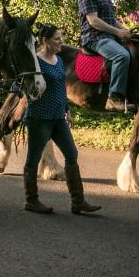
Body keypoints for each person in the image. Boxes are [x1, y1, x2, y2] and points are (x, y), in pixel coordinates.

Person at [23, 23, 100, 215]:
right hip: (39, 118)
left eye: (60, 39)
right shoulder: (35, 62)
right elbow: (23, 87)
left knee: (71, 154)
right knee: (32, 159)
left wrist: (67, 110)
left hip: (58, 117)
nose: (61, 42)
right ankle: (31, 201)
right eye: (57, 39)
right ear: (45, 41)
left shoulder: (57, 60)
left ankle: (78, 202)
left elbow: (61, 88)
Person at [78, 0, 136, 113]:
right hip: (95, 38)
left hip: (108, 37)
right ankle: (114, 98)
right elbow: (93, 21)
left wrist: (126, 31)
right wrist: (118, 32)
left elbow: (112, 20)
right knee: (121, 56)